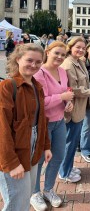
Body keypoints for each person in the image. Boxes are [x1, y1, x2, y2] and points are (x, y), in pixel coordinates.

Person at [0, 43, 52, 211]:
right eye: (29, 60)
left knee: (25, 196)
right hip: (14, 150)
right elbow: (2, 129)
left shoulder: (37, 87)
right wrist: (11, 163)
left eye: (38, 62)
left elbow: (42, 120)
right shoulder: (7, 87)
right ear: (18, 59)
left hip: (33, 147)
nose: (34, 65)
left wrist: (46, 146)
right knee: (17, 203)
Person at [30, 41, 74, 210]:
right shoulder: (40, 73)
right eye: (57, 53)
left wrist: (67, 103)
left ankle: (48, 189)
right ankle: (34, 193)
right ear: (47, 51)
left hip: (59, 121)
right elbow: (41, 102)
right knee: (39, 159)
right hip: (43, 123)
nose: (60, 57)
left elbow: (65, 93)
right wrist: (62, 98)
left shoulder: (62, 72)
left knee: (58, 156)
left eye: (63, 55)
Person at [58, 37, 90, 180]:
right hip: (72, 109)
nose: (81, 50)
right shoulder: (68, 64)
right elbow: (73, 89)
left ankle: (68, 166)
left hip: (80, 107)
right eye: (77, 47)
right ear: (71, 47)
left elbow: (84, 82)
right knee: (70, 141)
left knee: (73, 141)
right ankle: (64, 172)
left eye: (83, 47)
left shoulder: (79, 61)